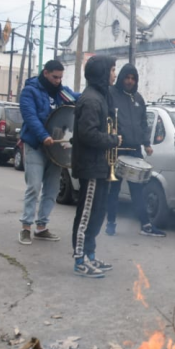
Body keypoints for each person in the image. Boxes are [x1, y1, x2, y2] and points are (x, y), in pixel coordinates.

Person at [71, 55, 122, 278]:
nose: (114, 75)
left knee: (98, 213)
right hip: (90, 166)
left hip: (100, 165)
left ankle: (90, 255)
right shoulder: (91, 99)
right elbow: (87, 134)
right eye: (112, 70)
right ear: (102, 72)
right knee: (86, 215)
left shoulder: (101, 96)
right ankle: (79, 260)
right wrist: (113, 140)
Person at [18, 59, 78, 245]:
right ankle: (26, 228)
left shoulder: (61, 92)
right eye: (55, 77)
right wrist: (43, 135)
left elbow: (78, 98)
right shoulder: (30, 91)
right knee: (34, 187)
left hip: (55, 148)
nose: (58, 81)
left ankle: (42, 227)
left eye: (60, 78)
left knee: (52, 189)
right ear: (45, 73)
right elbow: (30, 117)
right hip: (36, 145)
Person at [105, 63, 166, 238]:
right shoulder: (111, 94)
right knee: (114, 189)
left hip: (134, 150)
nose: (130, 81)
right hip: (116, 148)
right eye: (127, 77)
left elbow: (143, 123)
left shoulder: (138, 98)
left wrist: (146, 143)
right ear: (122, 78)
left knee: (138, 189)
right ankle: (110, 223)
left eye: (133, 78)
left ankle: (145, 225)